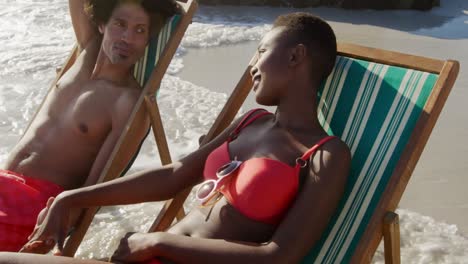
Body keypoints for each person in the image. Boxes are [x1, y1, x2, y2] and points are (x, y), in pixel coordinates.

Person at [0, 12, 351, 263]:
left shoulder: (325, 154)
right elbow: (173, 176)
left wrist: (160, 242)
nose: (252, 65)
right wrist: (70, 199)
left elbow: (279, 256)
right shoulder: (252, 121)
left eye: (261, 51)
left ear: (295, 56)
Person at [0, 0, 179, 252]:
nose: (127, 37)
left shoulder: (126, 103)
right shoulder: (88, 51)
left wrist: (52, 229)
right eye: (120, 24)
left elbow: (97, 188)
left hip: (34, 206)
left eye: (140, 30)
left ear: (148, 39)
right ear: (102, 24)